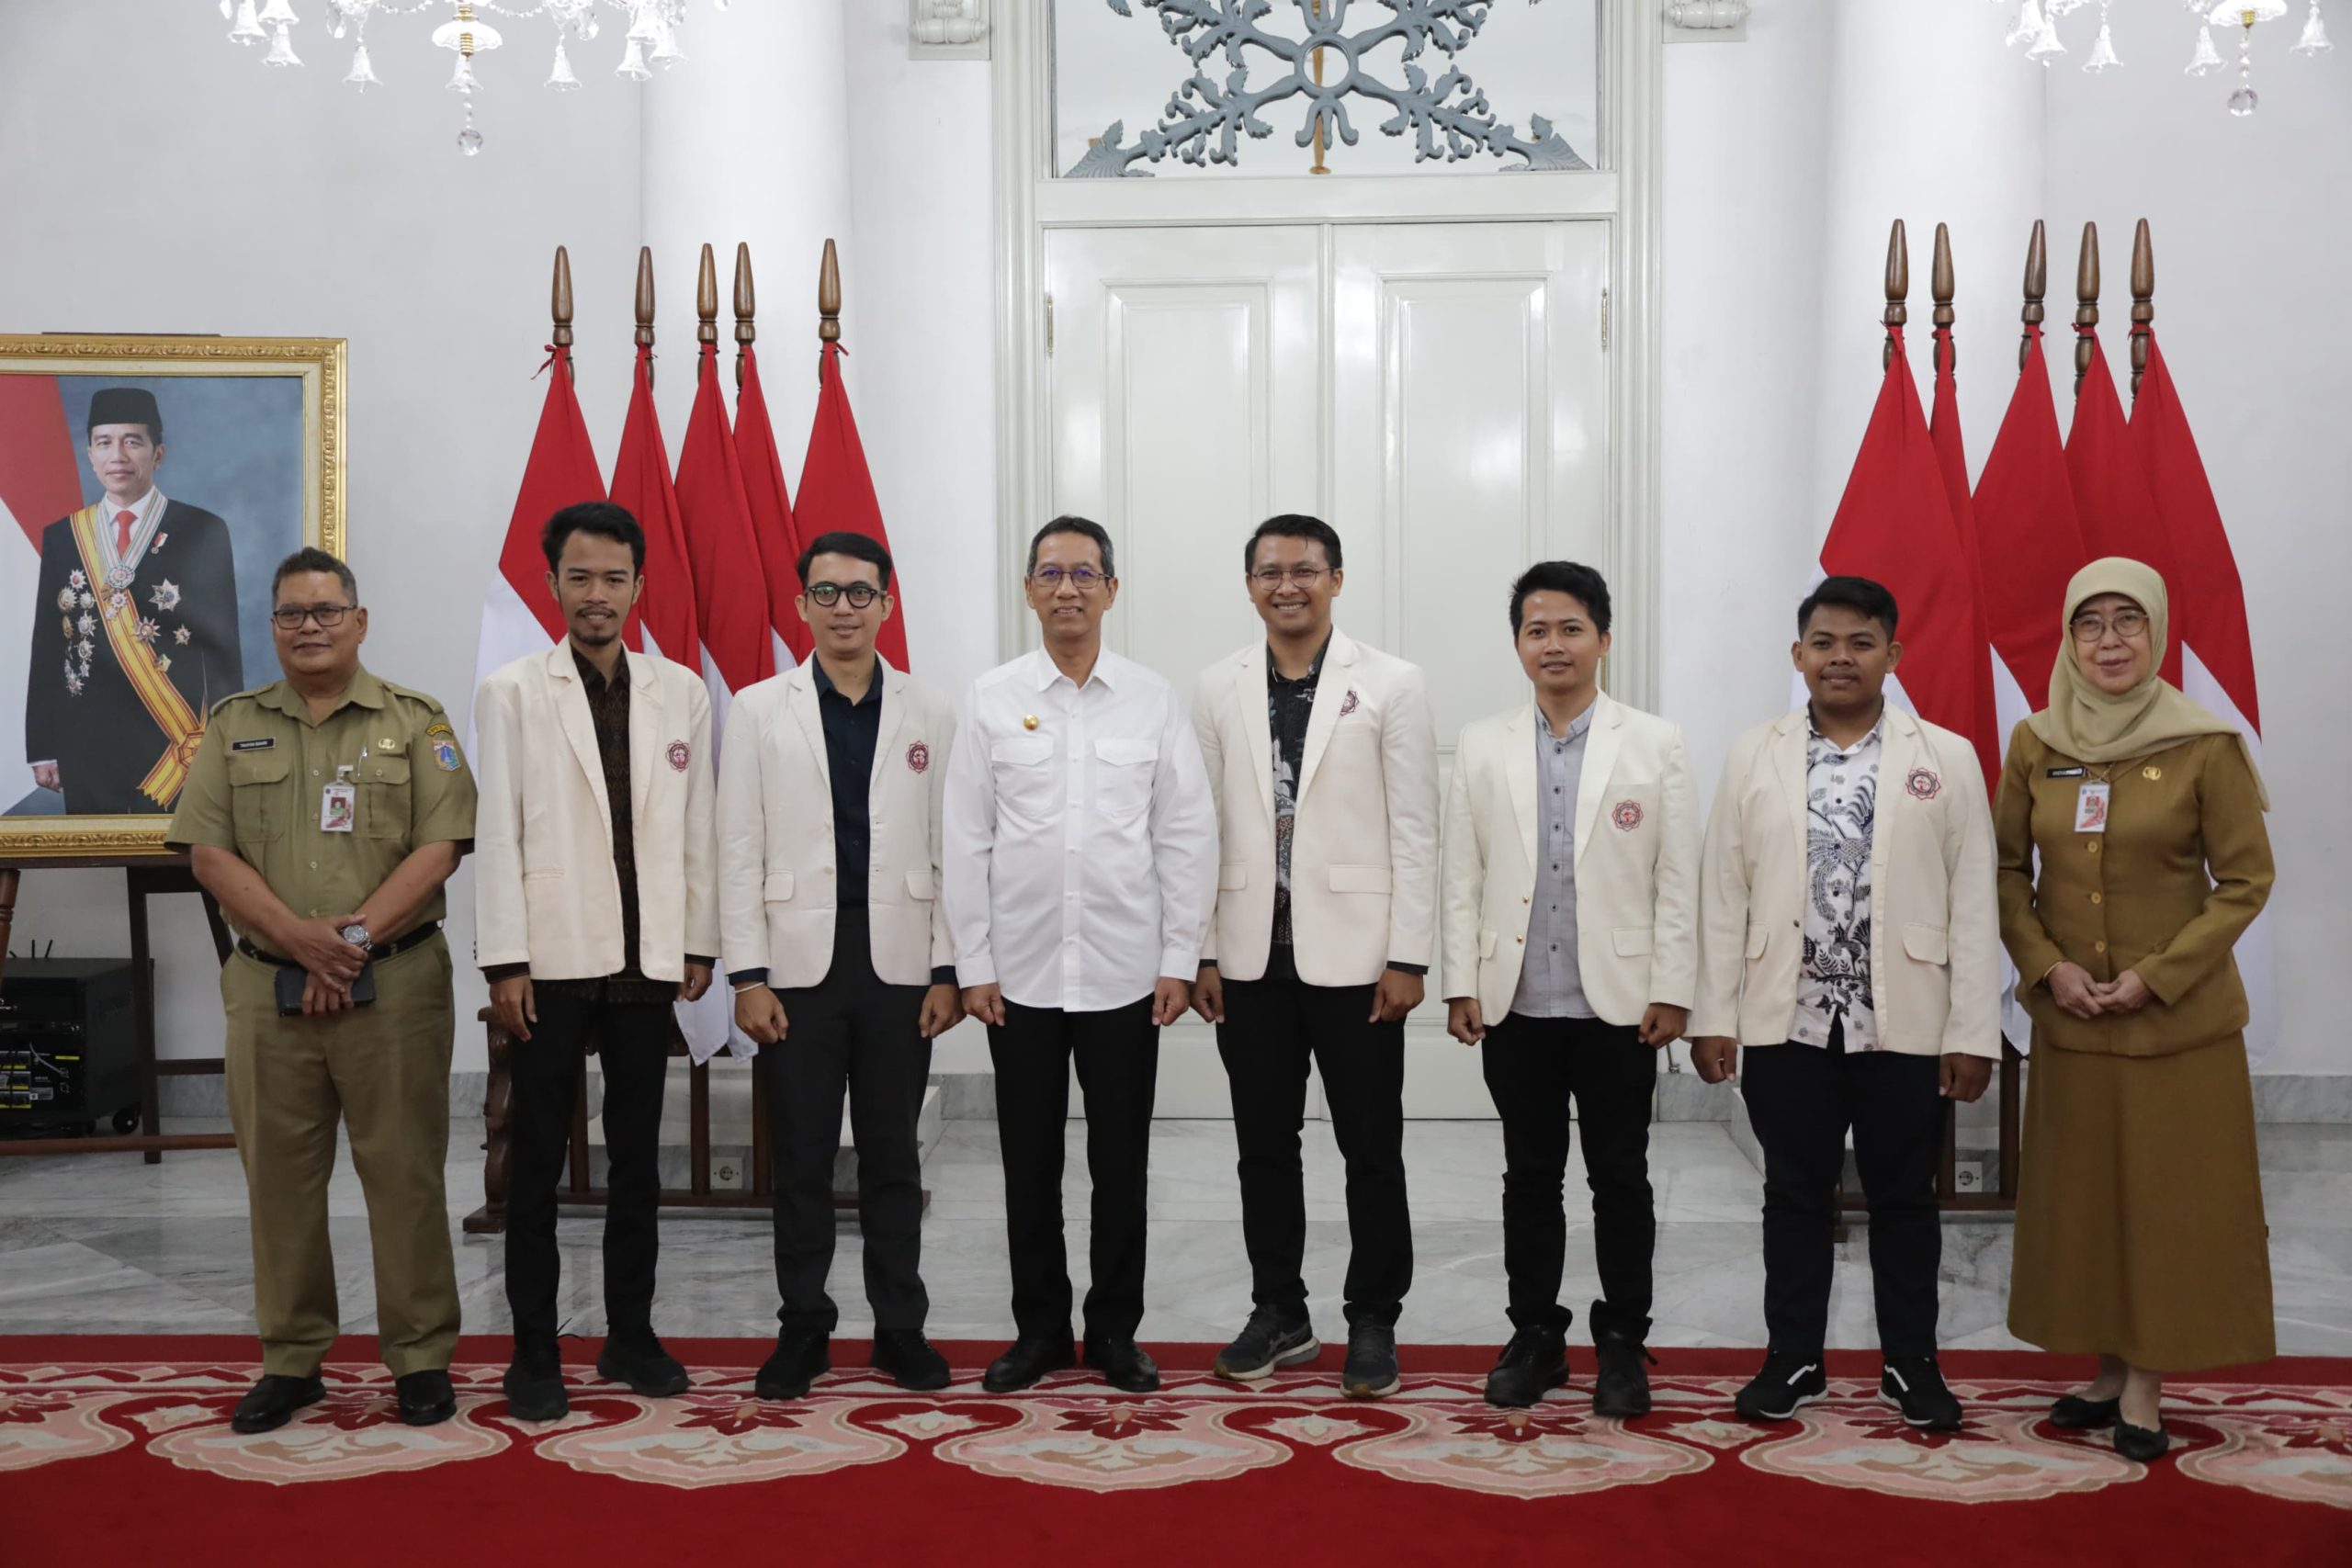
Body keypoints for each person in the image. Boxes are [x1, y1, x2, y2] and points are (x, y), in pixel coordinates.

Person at [166, 547, 472, 1433]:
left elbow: (441, 847)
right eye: (292, 613)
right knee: (280, 1181)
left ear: (359, 621)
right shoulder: (232, 725)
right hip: (270, 988)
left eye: (327, 610)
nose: (310, 626)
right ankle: (293, 1360)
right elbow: (208, 851)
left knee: (404, 1173)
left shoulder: (414, 719)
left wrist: (349, 943)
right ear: (273, 627)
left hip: (395, 984)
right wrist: (301, 939)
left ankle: (420, 1356)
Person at [1690, 576, 1999, 1433]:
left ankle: (1911, 1362)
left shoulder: (1946, 757)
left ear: (1892, 654)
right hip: (1785, 1019)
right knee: (1793, 1195)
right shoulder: (1754, 754)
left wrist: (1973, 1029)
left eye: (1861, 642)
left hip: (1907, 1022)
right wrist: (1714, 1015)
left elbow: (1974, 901)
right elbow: (1723, 892)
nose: (1841, 657)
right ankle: (1792, 1357)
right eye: (1823, 642)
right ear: (1798, 655)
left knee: (1905, 1199)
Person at [1996, 558, 2275, 1463]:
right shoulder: (2036, 741)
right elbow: (2005, 871)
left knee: (2166, 1205)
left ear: (2156, 632)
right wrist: (2046, 967)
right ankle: (2108, 1367)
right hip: (2074, 1021)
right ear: (2068, 637)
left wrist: (2158, 975)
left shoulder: (2204, 744)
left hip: (2177, 1026)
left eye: (2128, 620)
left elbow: (2245, 880)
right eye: (2090, 622)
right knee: (2088, 1203)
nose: (2109, 640)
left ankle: (2147, 1382)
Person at [942, 515, 1216, 1395]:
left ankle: (1114, 1332)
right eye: (1052, 573)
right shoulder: (991, 699)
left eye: (1085, 573)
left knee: (1120, 1163)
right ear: (1029, 590)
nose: (1068, 588)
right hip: (1017, 977)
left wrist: (1179, 957)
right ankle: (1038, 1331)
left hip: (1126, 974)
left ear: (1111, 590)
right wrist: (973, 963)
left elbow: (1185, 834)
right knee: (1028, 1163)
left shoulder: (1152, 699)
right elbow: (965, 837)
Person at [472, 501, 718, 1422]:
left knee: (637, 1163)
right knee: (537, 1161)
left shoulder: (679, 691)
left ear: (639, 586)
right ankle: (535, 1350)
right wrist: (505, 960)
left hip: (648, 960)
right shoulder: (512, 692)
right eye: (579, 577)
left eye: (614, 578)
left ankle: (631, 1335)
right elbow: (497, 831)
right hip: (550, 954)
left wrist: (697, 940)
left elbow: (697, 824)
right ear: (552, 585)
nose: (597, 594)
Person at [1441, 561, 1699, 1415]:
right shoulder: (1483, 743)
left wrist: (1674, 985)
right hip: (1516, 1001)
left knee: (1621, 1176)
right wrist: (1461, 981)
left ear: (1603, 639)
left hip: (1619, 1006)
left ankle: (1622, 1337)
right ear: (1519, 644)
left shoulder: (1653, 742)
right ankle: (1536, 1335)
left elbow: (1677, 877)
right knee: (1529, 1176)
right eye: (1537, 630)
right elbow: (1461, 874)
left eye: (1571, 628)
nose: (1554, 644)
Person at [1191, 514, 1439, 1400]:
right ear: (1249, 584)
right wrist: (1203, 951)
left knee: (1371, 1147)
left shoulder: (1392, 682)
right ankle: (1280, 1311)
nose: (1286, 585)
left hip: (1361, 960)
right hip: (1250, 957)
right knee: (1263, 1147)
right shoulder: (1216, 685)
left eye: (1304, 569)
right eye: (1269, 571)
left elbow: (1416, 826)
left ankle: (1374, 1317)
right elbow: (1199, 829)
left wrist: (1409, 955)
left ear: (1336, 578)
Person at [718, 531, 963, 1400]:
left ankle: (900, 1328)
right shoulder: (758, 709)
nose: (844, 608)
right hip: (794, 972)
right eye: (826, 593)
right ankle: (803, 1329)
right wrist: (747, 976)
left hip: (901, 967)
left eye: (861, 593)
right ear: (802, 606)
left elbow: (952, 845)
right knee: (803, 1159)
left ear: (886, 605)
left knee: (894, 1157)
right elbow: (737, 846)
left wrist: (947, 969)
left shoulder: (931, 709)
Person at [26, 386, 243, 815]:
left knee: (179, 850)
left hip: (175, 737)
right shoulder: (64, 536)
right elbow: (48, 644)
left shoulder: (202, 530)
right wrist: (42, 746)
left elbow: (223, 650)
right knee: (94, 850)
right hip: (85, 738)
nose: (118, 456)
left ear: (158, 454)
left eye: (132, 441)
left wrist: (226, 741)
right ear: (90, 455)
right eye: (104, 443)